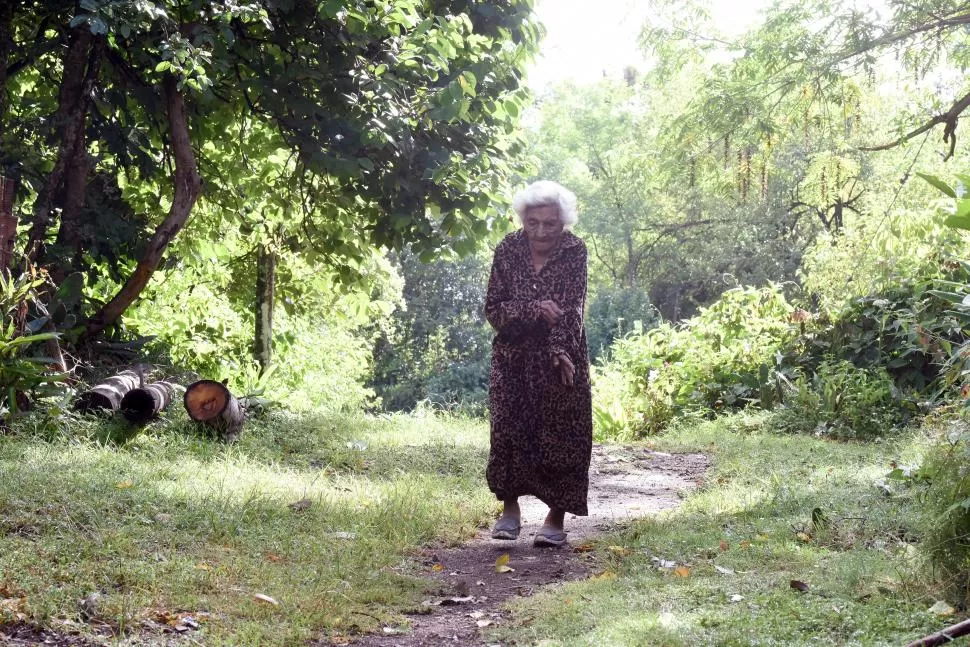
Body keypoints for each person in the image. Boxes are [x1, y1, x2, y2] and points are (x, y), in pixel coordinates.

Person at [484, 180, 593, 548]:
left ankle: (555, 517)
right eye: (534, 223)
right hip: (513, 358)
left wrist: (561, 350)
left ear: (563, 222)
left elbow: (571, 307)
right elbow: (495, 310)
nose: (542, 231)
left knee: (562, 435)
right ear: (523, 220)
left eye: (550, 223)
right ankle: (510, 511)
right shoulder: (507, 249)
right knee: (507, 431)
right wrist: (534, 309)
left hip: (560, 357)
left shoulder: (575, 251)